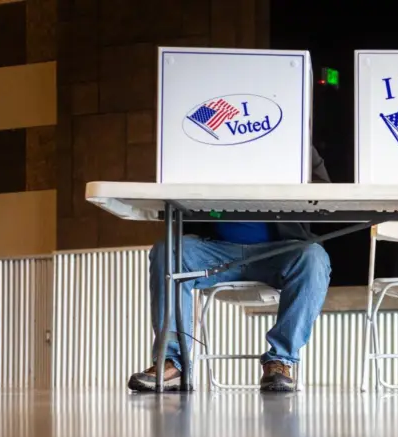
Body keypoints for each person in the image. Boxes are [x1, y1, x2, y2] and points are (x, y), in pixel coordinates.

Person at [127, 146, 332, 393]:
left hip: (278, 251)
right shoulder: (204, 136)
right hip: (215, 249)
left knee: (313, 257)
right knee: (168, 251)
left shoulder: (291, 137)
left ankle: (280, 360)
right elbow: (170, 180)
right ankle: (172, 363)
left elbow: (324, 190)